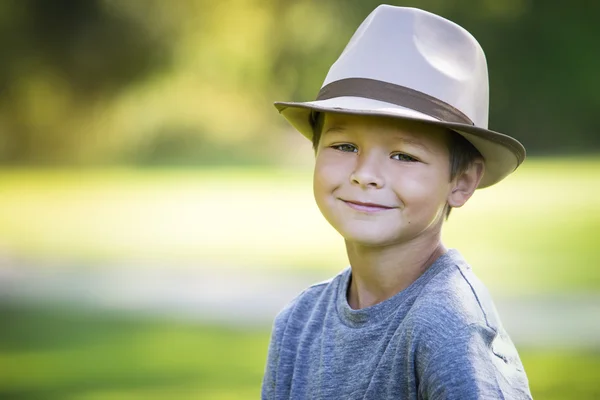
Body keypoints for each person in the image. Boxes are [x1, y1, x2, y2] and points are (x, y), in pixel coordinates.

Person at [262, 4, 532, 399]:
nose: (365, 173)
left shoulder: (448, 325)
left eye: (403, 155)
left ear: (462, 181)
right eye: (345, 145)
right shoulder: (298, 323)